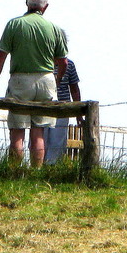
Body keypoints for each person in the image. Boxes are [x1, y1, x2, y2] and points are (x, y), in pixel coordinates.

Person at [0, 0, 67, 167]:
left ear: (27, 4)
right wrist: (57, 79)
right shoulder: (53, 28)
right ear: (45, 7)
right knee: (38, 132)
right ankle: (36, 172)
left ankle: (15, 171)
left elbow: (1, 56)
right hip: (46, 79)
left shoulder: (14, 24)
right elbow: (63, 62)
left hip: (20, 79)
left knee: (17, 131)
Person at [43, 27, 81, 164]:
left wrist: (78, 114)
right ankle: (38, 167)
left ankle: (52, 168)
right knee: (41, 141)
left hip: (62, 109)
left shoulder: (69, 65)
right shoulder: (41, 64)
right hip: (43, 107)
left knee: (57, 143)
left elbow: (74, 89)